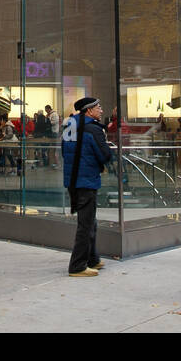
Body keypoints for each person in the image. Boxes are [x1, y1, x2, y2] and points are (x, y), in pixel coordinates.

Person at [62, 97, 113, 277]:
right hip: (86, 180)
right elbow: (104, 155)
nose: (101, 110)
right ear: (89, 110)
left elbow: (64, 152)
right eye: (98, 107)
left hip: (73, 180)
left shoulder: (70, 126)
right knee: (85, 224)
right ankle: (77, 265)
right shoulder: (93, 129)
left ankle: (92, 259)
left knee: (90, 220)